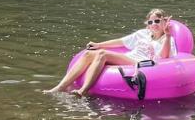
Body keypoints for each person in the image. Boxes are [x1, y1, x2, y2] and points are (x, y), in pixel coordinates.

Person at [45, 8, 177, 96]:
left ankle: (83, 90)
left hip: (141, 64)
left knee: (103, 54)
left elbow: (164, 57)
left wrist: (167, 35)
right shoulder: (143, 34)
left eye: (157, 21)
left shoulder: (167, 39)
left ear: (164, 22)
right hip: (128, 58)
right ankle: (60, 87)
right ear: (147, 24)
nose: (154, 24)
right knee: (88, 54)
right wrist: (98, 44)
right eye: (151, 21)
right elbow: (120, 42)